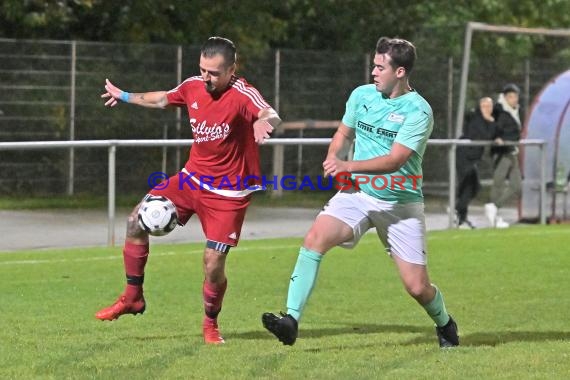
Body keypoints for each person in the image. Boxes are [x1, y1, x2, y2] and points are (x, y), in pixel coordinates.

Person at [262, 37, 459, 348]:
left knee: (417, 287)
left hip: (400, 205)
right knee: (315, 238)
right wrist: (333, 157)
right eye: (374, 65)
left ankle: (445, 323)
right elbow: (344, 131)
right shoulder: (361, 95)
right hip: (358, 194)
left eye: (381, 67)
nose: (373, 72)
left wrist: (348, 166)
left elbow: (396, 160)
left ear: (401, 72)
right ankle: (291, 319)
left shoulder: (418, 111)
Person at [95, 36, 281, 345]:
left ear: (232, 69)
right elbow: (162, 99)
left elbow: (268, 112)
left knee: (212, 263)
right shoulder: (194, 85)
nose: (206, 78)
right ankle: (132, 297)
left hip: (228, 194)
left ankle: (210, 323)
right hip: (191, 180)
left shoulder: (242, 93)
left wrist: (264, 122)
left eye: (215, 73)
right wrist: (125, 95)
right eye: (203, 70)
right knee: (133, 222)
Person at [484, 83, 523, 228]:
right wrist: (497, 137)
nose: (514, 99)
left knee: (517, 186)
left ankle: (494, 206)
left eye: (516, 96)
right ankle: (494, 216)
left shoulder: (517, 111)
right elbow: (492, 127)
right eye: (511, 97)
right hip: (502, 152)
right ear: (505, 97)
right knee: (498, 182)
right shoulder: (499, 110)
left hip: (512, 150)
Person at [455, 97, 498, 229]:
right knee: (468, 186)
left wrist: (491, 122)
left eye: (489, 106)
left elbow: (495, 134)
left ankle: (460, 214)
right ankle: (459, 215)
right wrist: (491, 121)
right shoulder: (477, 119)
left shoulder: (488, 120)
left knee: (474, 187)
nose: (487, 109)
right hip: (464, 155)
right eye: (484, 106)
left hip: (472, 158)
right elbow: (486, 135)